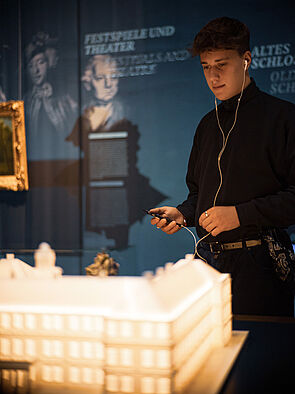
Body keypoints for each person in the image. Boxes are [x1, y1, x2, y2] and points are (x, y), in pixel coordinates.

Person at [149, 17, 295, 316]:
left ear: (246, 60)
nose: (213, 76)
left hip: (262, 267)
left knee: (260, 355)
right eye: (206, 67)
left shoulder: (283, 118)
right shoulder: (206, 125)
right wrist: (182, 214)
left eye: (221, 64)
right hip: (208, 265)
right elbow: (198, 195)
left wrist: (240, 215)